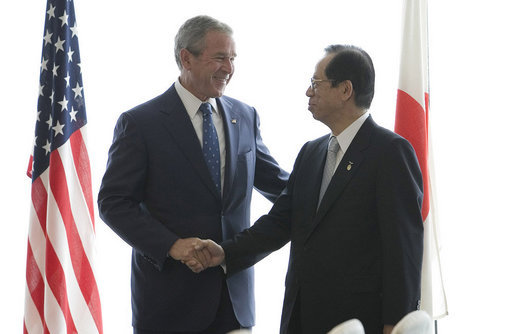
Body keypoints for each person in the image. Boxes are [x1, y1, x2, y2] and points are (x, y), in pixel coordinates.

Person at [191, 45, 424, 334]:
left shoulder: (390, 152)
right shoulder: (311, 153)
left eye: (316, 83)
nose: (308, 92)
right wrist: (225, 252)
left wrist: (396, 323)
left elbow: (403, 249)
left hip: (360, 320)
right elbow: (280, 223)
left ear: (345, 90)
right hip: (301, 315)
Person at [97, 15, 288, 334]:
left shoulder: (246, 116)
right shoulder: (141, 123)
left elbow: (280, 187)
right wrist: (172, 245)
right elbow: (113, 202)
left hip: (234, 305)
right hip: (168, 304)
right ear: (186, 57)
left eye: (232, 58)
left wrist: (332, 187)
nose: (229, 67)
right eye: (219, 57)